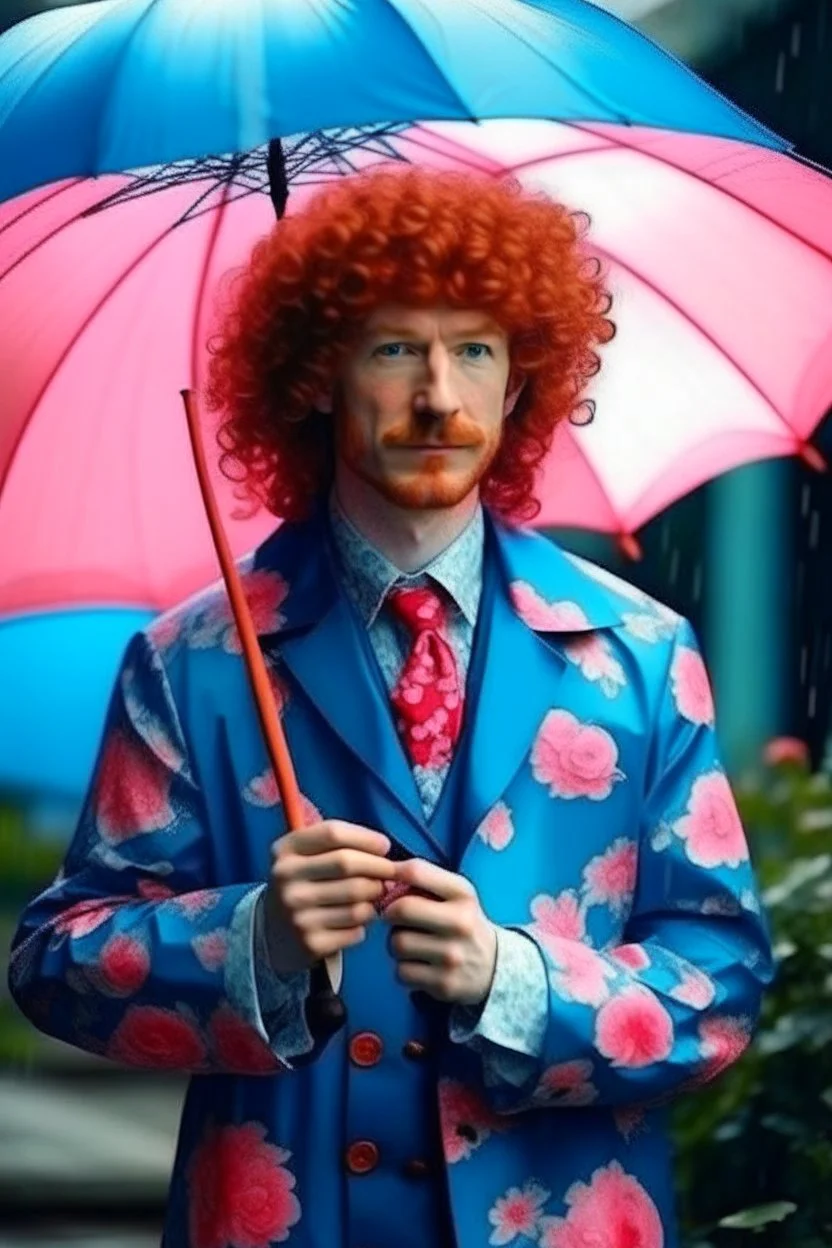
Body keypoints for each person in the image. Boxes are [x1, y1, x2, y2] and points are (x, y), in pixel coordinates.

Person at [9, 165, 772, 1248]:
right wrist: (254, 938)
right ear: (316, 375)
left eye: (473, 350)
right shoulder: (191, 659)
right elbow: (60, 966)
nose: (438, 398)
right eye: (392, 348)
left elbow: (724, 987)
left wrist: (514, 979)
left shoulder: (642, 655)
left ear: (521, 384)